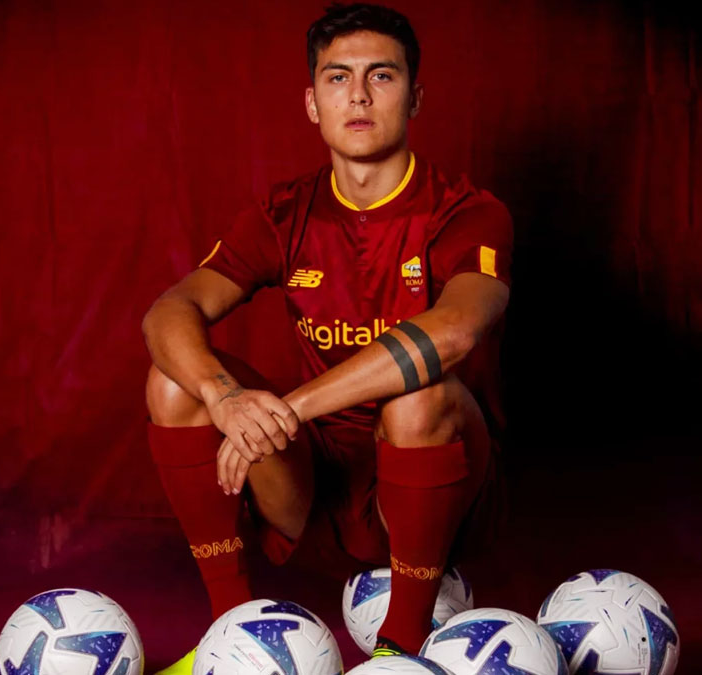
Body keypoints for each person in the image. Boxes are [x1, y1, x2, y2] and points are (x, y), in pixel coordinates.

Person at [142, 3, 514, 671]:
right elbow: (169, 311)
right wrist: (224, 397)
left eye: (382, 75)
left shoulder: (468, 211)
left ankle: (401, 648)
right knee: (174, 382)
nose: (359, 95)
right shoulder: (285, 213)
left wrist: (290, 406)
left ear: (415, 97)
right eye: (338, 77)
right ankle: (230, 633)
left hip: (440, 487)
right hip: (315, 487)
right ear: (313, 103)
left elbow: (455, 331)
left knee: (419, 396)